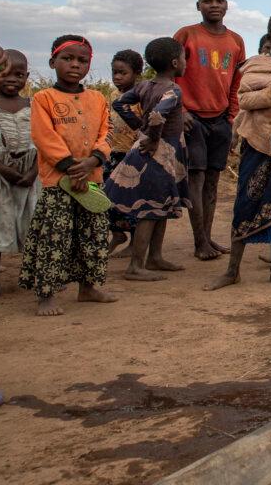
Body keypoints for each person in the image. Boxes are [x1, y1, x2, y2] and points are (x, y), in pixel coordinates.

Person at [206, 11, 271, 290]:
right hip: (258, 143)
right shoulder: (255, 66)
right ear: (270, 36)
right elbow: (245, 99)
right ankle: (232, 270)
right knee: (246, 202)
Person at [19, 35, 118, 316]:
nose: (75, 65)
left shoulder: (98, 98)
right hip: (57, 183)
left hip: (92, 180)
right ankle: (46, 295)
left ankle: (88, 288)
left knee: (93, 236)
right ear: (53, 62)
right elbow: (43, 137)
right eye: (68, 59)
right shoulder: (43, 98)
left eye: (82, 60)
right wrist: (71, 167)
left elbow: (107, 132)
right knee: (55, 238)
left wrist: (92, 162)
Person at [104, 38, 191, 281]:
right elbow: (156, 116)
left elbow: (119, 103)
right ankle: (136, 265)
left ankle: (155, 257)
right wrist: (151, 137)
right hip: (161, 152)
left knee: (160, 205)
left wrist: (138, 128)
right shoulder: (173, 90)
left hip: (152, 148)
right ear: (175, 63)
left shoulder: (144, 87)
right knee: (150, 209)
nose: (185, 62)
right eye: (184, 58)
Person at [174, 0, 245, 260]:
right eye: (207, 1)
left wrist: (231, 116)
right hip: (192, 119)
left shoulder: (236, 41)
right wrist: (180, 110)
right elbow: (173, 72)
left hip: (220, 120)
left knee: (213, 182)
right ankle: (199, 242)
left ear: (227, 5)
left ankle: (208, 237)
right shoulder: (187, 34)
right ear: (198, 6)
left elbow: (236, 82)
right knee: (197, 179)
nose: (213, 5)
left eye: (219, 0)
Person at [0, 50, 40, 301]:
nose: (12, 79)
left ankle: (39, 278)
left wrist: (33, 171)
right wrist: (3, 169)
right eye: (6, 73)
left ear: (27, 77)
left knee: (34, 225)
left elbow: (45, 142)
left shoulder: (34, 105)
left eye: (19, 75)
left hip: (30, 176)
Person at [105, 49, 144, 256]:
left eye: (123, 73)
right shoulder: (113, 95)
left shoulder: (140, 97)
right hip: (113, 154)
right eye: (114, 73)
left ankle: (134, 243)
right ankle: (118, 234)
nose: (117, 77)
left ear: (136, 73)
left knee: (132, 201)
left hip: (133, 157)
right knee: (110, 198)